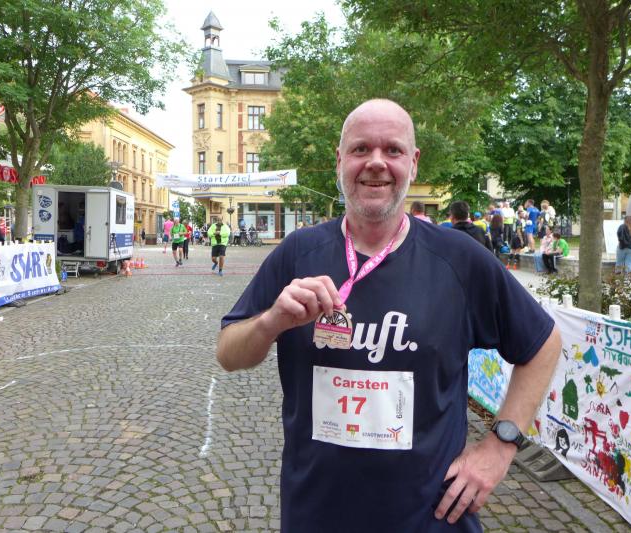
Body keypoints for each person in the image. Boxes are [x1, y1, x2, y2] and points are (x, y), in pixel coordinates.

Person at [217, 99, 561, 532]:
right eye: (361, 149)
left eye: (392, 150)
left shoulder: (459, 259)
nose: (376, 162)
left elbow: (543, 344)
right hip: (317, 515)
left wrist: (500, 446)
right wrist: (272, 322)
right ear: (339, 161)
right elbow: (228, 353)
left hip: (431, 518)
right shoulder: (298, 253)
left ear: (413, 163)